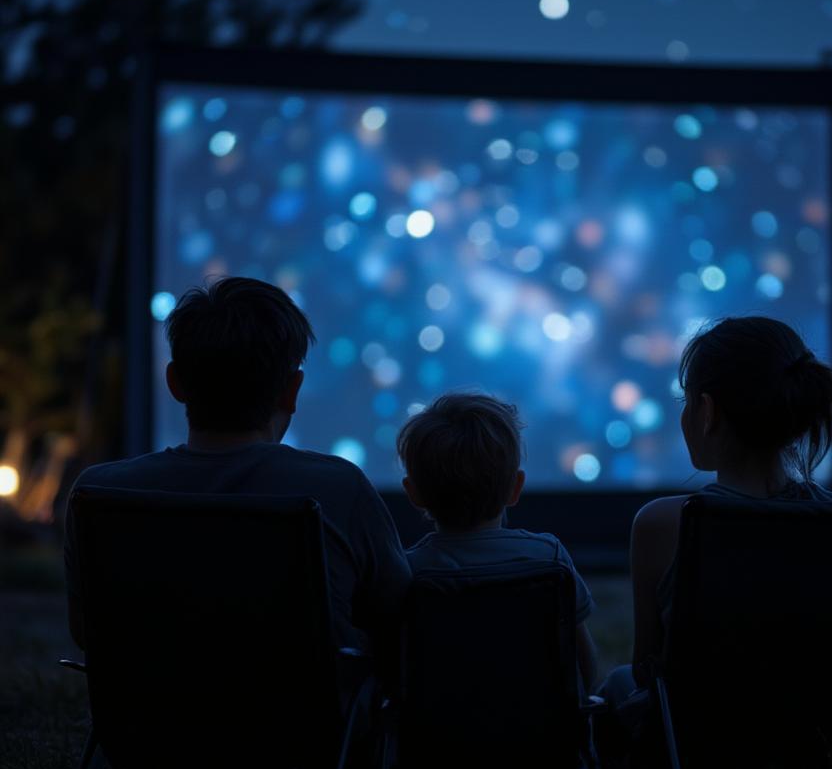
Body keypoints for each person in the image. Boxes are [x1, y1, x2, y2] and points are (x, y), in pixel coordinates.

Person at [64, 276, 410, 658]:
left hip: (150, 719)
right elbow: (399, 620)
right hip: (300, 719)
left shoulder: (99, 493)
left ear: (174, 382)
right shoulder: (339, 489)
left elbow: (88, 633)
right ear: (291, 391)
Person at [601, 316, 832, 728]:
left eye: (686, 400)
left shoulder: (665, 524)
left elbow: (649, 669)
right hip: (825, 741)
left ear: (707, 411)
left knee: (616, 685)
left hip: (703, 748)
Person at [396, 392, 599, 693]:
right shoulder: (549, 557)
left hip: (439, 739)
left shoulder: (408, 572)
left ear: (413, 493)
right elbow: (585, 664)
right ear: (515, 488)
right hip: (542, 737)